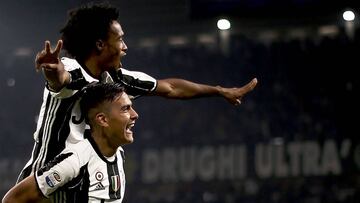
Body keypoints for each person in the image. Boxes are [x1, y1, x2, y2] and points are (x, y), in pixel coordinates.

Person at [18, 2, 257, 183]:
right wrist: (52, 70)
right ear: (100, 44)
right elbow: (62, 78)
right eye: (120, 40)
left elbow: (171, 88)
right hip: (42, 185)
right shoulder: (73, 69)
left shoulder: (117, 79)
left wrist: (218, 90)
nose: (125, 47)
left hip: (78, 186)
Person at [3, 83, 138, 202]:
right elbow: (13, 199)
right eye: (125, 109)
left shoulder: (119, 154)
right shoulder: (75, 160)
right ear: (102, 119)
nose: (135, 114)